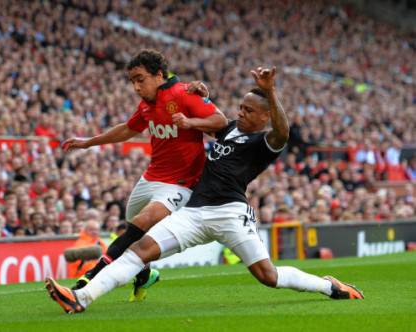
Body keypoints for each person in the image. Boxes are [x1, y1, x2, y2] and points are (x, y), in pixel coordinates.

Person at [45, 67, 364, 314]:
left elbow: (283, 131)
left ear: (265, 116)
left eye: (250, 111)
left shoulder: (264, 143)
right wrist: (201, 93)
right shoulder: (229, 131)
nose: (242, 112)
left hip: (231, 214)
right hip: (195, 212)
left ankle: (328, 287)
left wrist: (271, 91)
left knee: (269, 277)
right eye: (241, 107)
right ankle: (81, 298)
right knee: (141, 250)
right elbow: (207, 115)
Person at [62, 49, 227, 297]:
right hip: (151, 178)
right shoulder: (146, 105)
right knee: (132, 232)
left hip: (180, 183)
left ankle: (90, 278)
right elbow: (127, 130)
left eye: (140, 79)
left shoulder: (184, 93)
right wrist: (88, 142)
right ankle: (145, 274)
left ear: (159, 75)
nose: (136, 87)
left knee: (142, 222)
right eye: (132, 82)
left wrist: (191, 124)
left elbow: (220, 120)